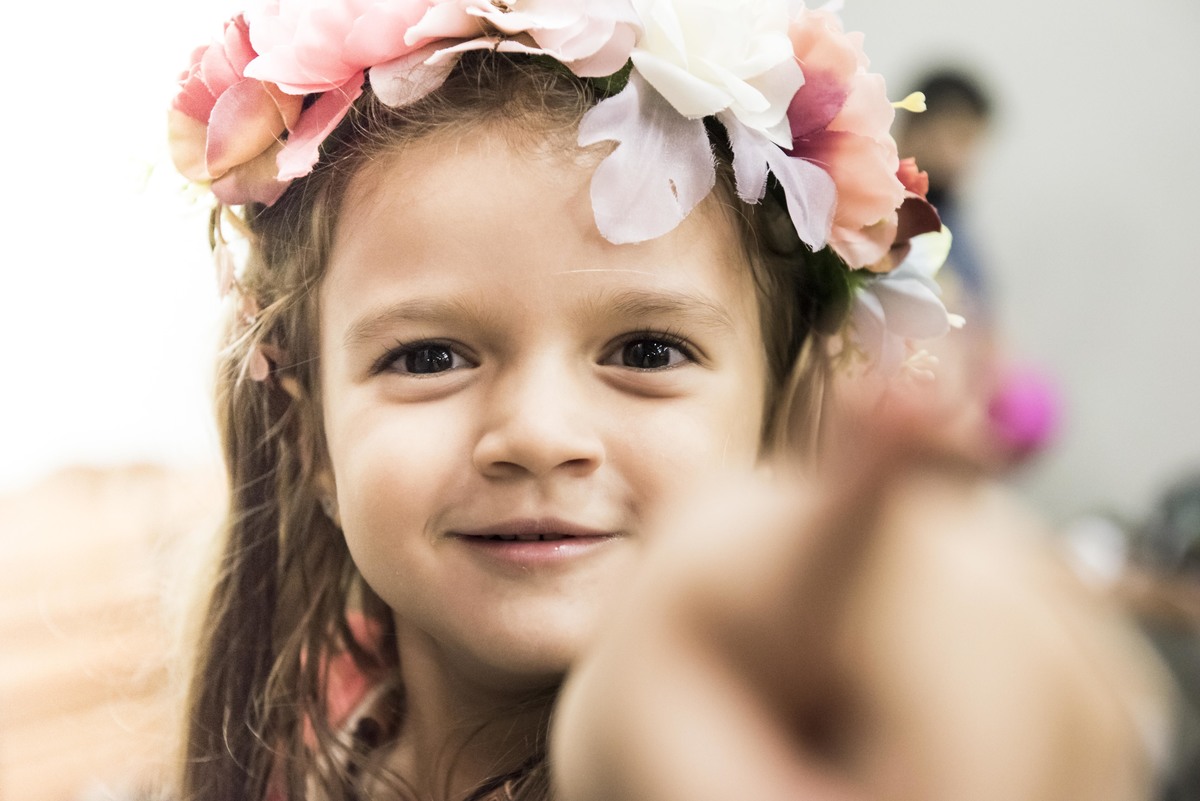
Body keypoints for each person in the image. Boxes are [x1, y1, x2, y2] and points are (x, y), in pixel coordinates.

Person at [165, 2, 1167, 800]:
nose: (539, 436)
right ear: (310, 438)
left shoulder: (707, 753)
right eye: (428, 356)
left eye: (647, 348)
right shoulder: (323, 727)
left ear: (785, 417)